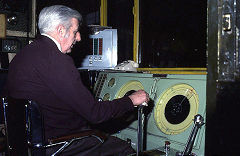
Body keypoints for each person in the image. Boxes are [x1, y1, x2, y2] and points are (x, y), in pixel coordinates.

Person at [6, 5, 149, 156]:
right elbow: (95, 114)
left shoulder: (23, 55)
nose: (79, 37)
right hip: (57, 143)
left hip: (26, 142)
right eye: (75, 31)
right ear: (61, 30)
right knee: (124, 149)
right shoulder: (58, 60)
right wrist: (131, 100)